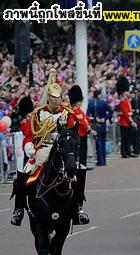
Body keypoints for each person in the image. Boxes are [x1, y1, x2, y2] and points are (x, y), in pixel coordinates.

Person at [10, 69, 89, 226]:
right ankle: (18, 210)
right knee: (23, 173)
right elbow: (30, 134)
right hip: (42, 149)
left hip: (62, 149)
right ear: (48, 98)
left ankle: (79, 208)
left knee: (80, 170)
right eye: (53, 98)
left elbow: (73, 133)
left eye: (58, 98)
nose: (56, 101)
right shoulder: (38, 113)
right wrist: (29, 146)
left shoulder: (68, 113)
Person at [68, 85, 96, 167]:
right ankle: (81, 166)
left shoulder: (77, 110)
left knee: (81, 153)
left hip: (80, 134)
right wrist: (90, 130)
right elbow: (82, 122)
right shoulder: (76, 110)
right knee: (81, 153)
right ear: (77, 101)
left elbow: (85, 118)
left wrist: (92, 119)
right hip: (80, 135)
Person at [87, 89, 112, 166]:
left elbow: (88, 115)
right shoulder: (103, 102)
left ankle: (100, 160)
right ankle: (103, 160)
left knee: (98, 142)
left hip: (96, 124)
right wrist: (105, 118)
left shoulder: (91, 103)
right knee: (103, 142)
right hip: (103, 124)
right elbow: (111, 111)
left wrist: (95, 119)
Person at [117, 75, 137, 158]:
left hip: (128, 121)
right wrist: (131, 122)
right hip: (125, 122)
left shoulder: (127, 100)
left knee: (128, 138)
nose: (128, 92)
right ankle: (124, 153)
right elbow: (125, 113)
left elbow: (128, 111)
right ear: (123, 92)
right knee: (124, 138)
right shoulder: (122, 101)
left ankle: (128, 151)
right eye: (126, 91)